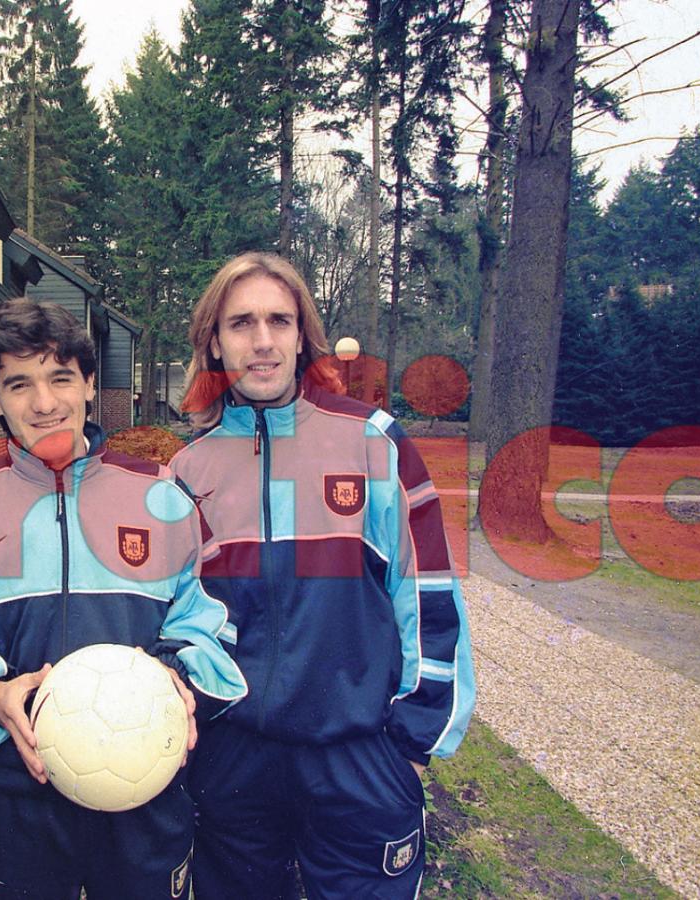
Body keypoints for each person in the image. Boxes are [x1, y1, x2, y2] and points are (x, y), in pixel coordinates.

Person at [0, 298, 247, 899]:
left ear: (90, 384)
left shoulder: (162, 499)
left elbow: (210, 622)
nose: (44, 403)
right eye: (19, 384)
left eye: (61, 378)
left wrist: (177, 675)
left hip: (143, 793)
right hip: (13, 801)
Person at [169, 252, 476, 898]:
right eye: (240, 323)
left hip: (358, 755)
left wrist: (410, 741)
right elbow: (171, 622)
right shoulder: (187, 474)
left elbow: (425, 594)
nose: (260, 341)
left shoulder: (372, 443)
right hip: (234, 764)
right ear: (213, 342)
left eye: (278, 321)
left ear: (302, 334)